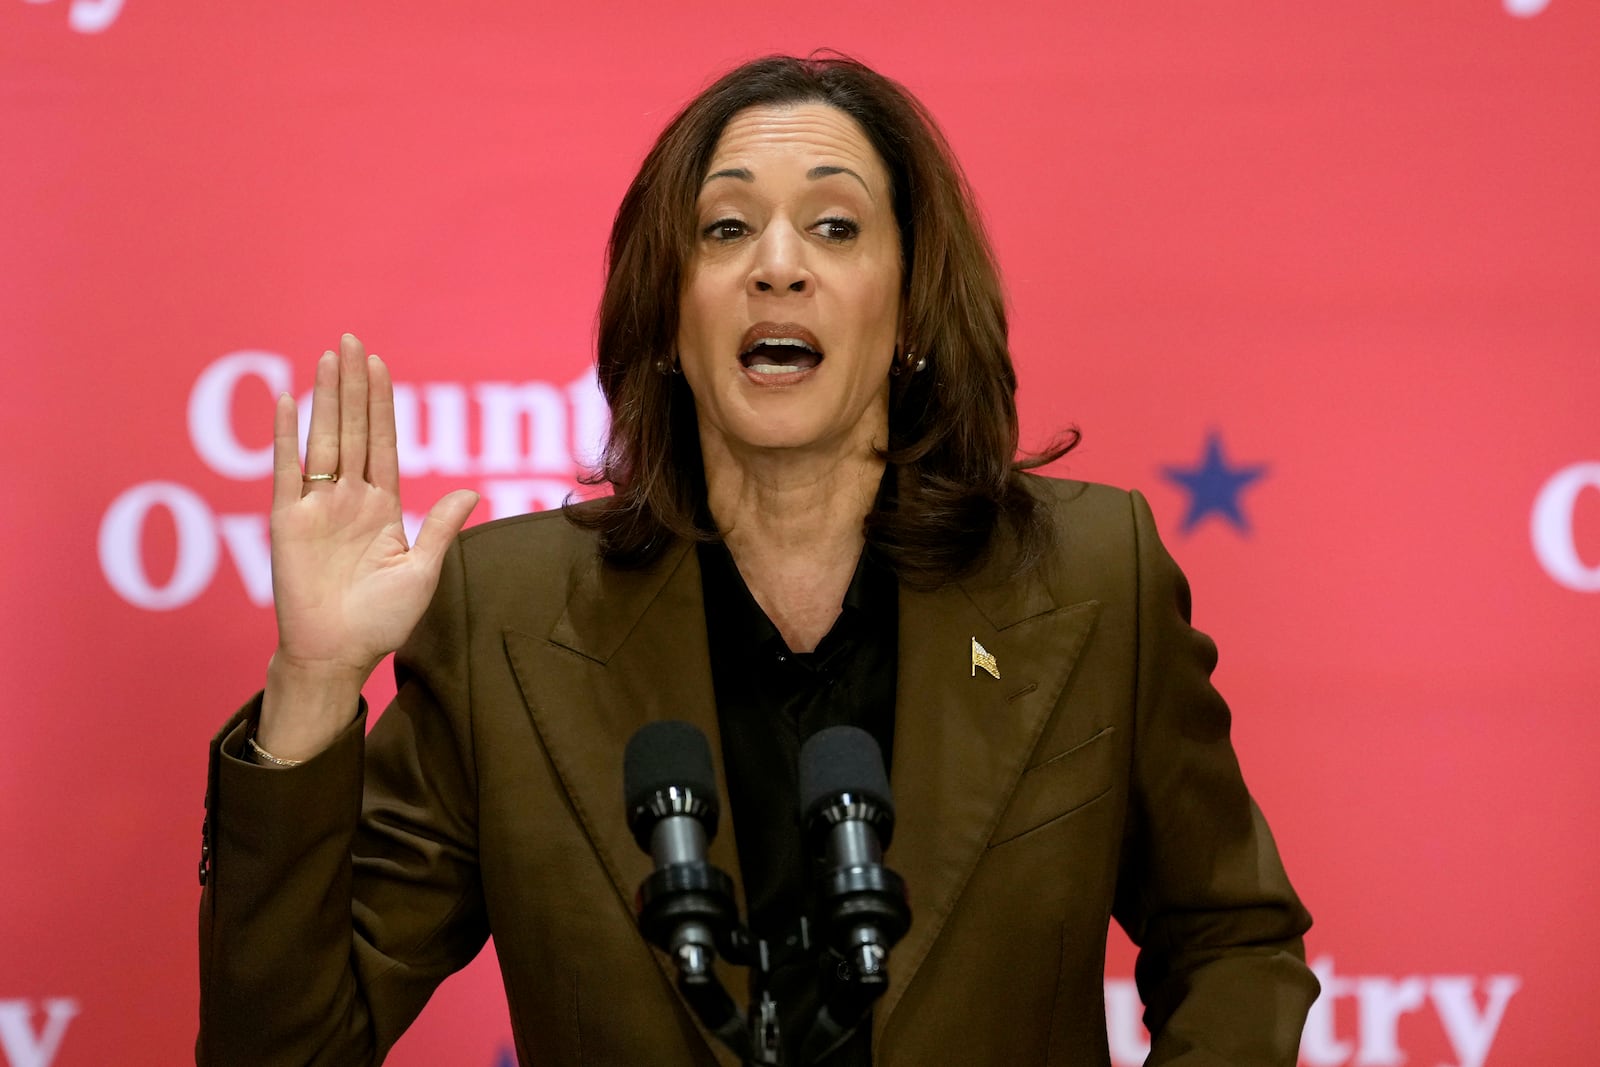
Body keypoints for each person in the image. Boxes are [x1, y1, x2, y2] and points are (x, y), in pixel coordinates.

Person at [197, 54, 1317, 1066]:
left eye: (835, 227)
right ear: (669, 321)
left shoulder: (1085, 574)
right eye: (724, 230)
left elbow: (1234, 939)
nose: (776, 265)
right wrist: (312, 682)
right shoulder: (505, 613)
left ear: (912, 303)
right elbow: (284, 1052)